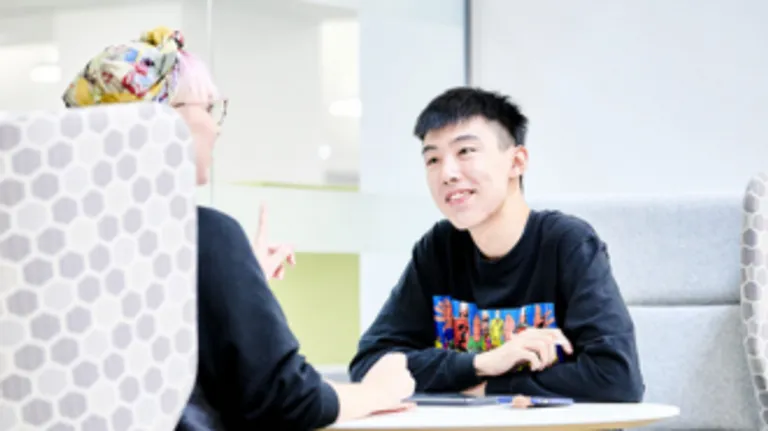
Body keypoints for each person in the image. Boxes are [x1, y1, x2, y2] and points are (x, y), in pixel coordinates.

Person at [63, 27, 415, 430]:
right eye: (208, 108)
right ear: (160, 119)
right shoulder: (202, 235)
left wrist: (237, 284)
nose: (216, 128)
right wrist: (377, 393)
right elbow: (286, 399)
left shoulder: (66, 241)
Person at [347, 87, 645, 402]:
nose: (447, 173)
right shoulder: (439, 249)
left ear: (517, 162)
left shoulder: (567, 243)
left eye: (465, 152)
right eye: (433, 159)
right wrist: (480, 363)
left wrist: (489, 387)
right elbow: (371, 365)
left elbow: (617, 378)